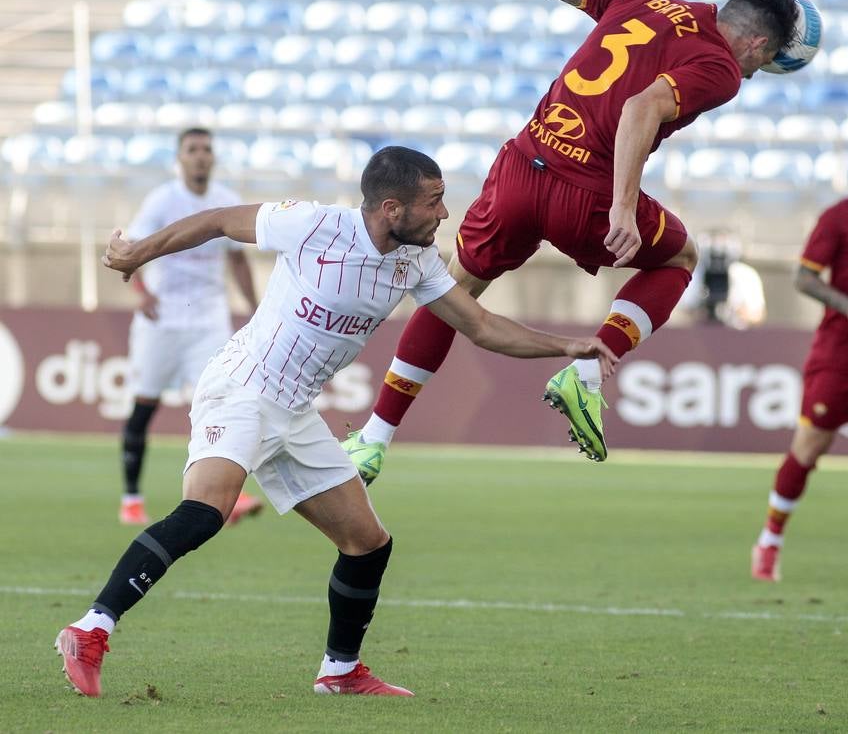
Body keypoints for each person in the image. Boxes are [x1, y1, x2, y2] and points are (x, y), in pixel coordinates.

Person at [55, 146, 616, 699]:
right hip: (242, 388)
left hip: (296, 412)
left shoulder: (417, 260)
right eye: (435, 201)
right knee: (206, 512)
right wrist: (137, 254)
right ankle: (90, 630)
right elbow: (219, 221)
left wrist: (568, 346)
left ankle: (339, 671)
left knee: (368, 542)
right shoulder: (313, 224)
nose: (445, 214)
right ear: (392, 208)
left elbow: (483, 326)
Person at [343, 0, 800, 480]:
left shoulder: (639, 0)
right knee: (681, 258)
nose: (755, 74)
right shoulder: (721, 67)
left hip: (520, 168)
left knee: (451, 293)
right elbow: (641, 108)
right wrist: (624, 207)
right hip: (583, 194)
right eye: (765, 60)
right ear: (756, 42)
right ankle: (584, 375)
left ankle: (373, 438)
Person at [118, 126, 261, 527]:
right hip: (161, 320)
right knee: (145, 405)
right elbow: (132, 249)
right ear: (179, 157)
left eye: (206, 149)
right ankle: (131, 498)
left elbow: (237, 258)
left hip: (207, 319)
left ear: (213, 158)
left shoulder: (226, 202)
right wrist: (142, 292)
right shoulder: (163, 200)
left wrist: (254, 307)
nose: (201, 155)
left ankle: (223, 498)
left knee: (219, 406)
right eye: (193, 149)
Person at [751, 198, 848, 582]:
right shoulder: (840, 217)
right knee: (810, 447)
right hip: (841, 355)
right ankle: (769, 541)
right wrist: (847, 305)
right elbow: (804, 278)